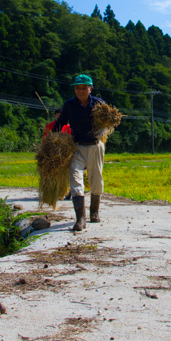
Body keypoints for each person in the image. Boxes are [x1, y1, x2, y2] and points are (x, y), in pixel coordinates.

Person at [52, 74, 105, 231]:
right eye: (77, 88)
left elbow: (108, 120)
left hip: (95, 146)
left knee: (96, 180)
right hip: (77, 147)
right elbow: (61, 121)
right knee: (75, 180)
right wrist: (53, 140)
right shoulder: (70, 105)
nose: (80, 91)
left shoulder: (98, 103)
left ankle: (94, 212)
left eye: (83, 88)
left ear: (90, 89)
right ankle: (80, 219)